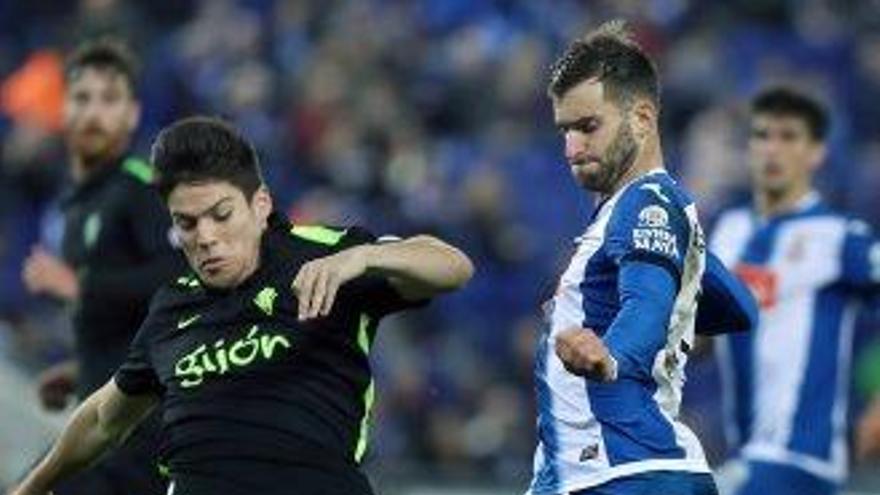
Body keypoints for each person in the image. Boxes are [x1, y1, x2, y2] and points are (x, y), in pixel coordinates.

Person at [10, 116, 474, 495]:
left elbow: (452, 267)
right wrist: (30, 488)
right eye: (186, 223)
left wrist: (364, 257)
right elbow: (102, 419)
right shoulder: (172, 306)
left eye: (221, 214)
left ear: (260, 206)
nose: (206, 237)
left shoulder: (323, 254)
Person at [527, 20, 756, 495]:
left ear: (643, 118)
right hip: (618, 471)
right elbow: (740, 308)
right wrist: (687, 287)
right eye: (565, 131)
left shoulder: (645, 203)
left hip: (619, 472)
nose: (572, 148)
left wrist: (612, 356)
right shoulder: (656, 215)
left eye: (588, 127)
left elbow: (646, 305)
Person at [19, 38, 184, 495]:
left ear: (132, 114)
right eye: (82, 98)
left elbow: (179, 283)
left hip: (140, 430)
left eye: (109, 99)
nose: (93, 113)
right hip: (103, 417)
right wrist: (83, 368)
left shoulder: (142, 191)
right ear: (64, 110)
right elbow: (132, 320)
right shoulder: (78, 200)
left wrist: (82, 288)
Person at [711, 87, 880, 495]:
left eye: (788, 137)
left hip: (802, 455)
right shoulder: (727, 230)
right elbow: (701, 332)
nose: (773, 149)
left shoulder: (840, 236)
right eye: (762, 135)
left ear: (816, 152)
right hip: (744, 452)